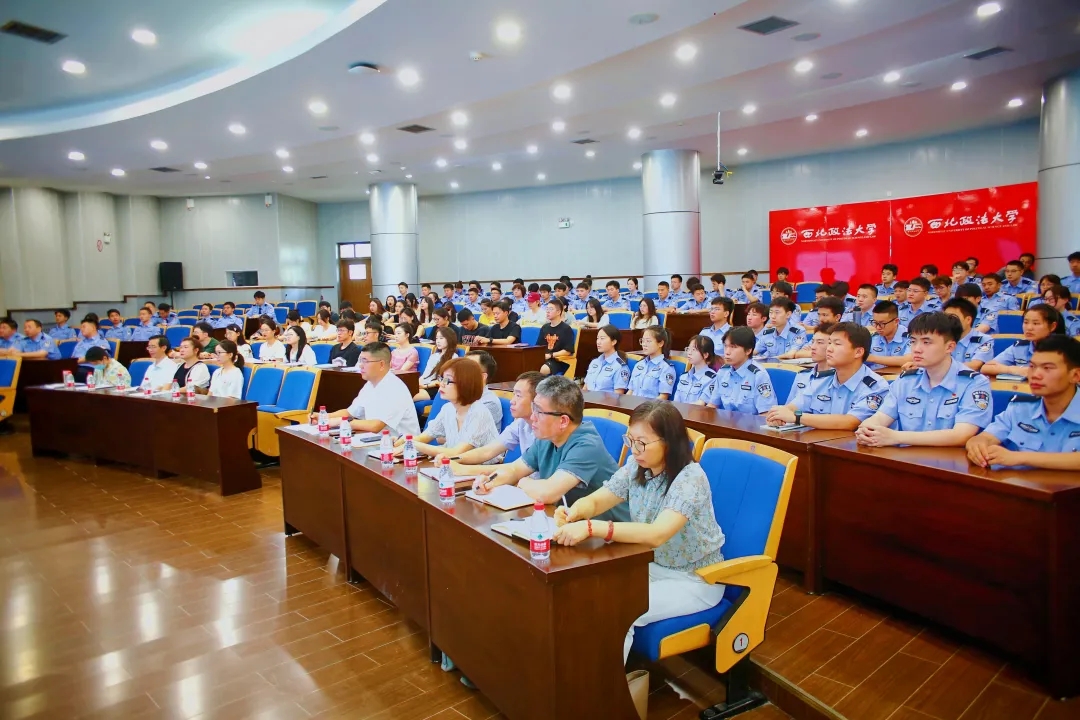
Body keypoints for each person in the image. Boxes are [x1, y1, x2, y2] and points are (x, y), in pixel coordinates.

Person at [552, 400, 726, 663]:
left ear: (668, 442)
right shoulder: (637, 465)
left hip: (695, 579)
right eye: (630, 440)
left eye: (642, 443)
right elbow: (599, 500)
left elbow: (657, 534)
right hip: (651, 565)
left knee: (618, 609)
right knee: (585, 592)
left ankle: (606, 687)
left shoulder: (691, 478)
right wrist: (575, 511)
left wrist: (591, 527)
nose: (634, 450)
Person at [466, 376, 629, 518]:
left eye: (539, 412)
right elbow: (514, 469)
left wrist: (522, 481)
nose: (532, 417)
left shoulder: (587, 445)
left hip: (609, 533)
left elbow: (547, 493)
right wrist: (490, 481)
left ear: (563, 421)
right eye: (533, 408)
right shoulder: (547, 437)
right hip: (568, 522)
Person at [856, 313, 993, 447]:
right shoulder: (906, 380)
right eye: (913, 341)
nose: (916, 349)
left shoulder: (974, 383)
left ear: (949, 347)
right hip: (903, 458)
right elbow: (881, 417)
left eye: (926, 342)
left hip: (949, 460)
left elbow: (961, 435)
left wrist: (896, 437)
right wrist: (866, 429)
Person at [965, 335, 1080, 470]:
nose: (1035, 375)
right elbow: (986, 437)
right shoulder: (1020, 407)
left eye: (1047, 368)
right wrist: (977, 445)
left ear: (1075, 375)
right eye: (1032, 366)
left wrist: (1019, 457)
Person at [765, 323, 885, 430]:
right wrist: (779, 414)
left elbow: (850, 422)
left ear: (858, 352)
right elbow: (795, 405)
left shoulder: (876, 387)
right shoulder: (822, 379)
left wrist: (797, 417)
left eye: (837, 344)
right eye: (829, 343)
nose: (829, 349)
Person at [400, 357, 501, 461]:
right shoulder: (448, 408)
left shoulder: (479, 413)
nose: (441, 384)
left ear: (466, 384)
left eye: (448, 380)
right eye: (442, 378)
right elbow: (425, 436)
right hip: (454, 465)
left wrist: (414, 445)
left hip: (482, 468)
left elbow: (457, 453)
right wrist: (402, 442)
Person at [318, 342, 421, 437]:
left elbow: (376, 426)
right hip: (377, 440)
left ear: (381, 364)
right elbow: (350, 412)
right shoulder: (370, 384)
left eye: (365, 361)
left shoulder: (394, 388)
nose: (360, 365)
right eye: (360, 361)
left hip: (402, 445)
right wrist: (323, 417)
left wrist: (342, 422)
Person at [981, 305, 1066, 378]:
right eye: (1026, 322)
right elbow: (985, 368)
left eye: (1036, 323)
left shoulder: (1064, 350)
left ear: (1052, 326)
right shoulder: (1020, 347)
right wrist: (1015, 370)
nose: (1029, 328)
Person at [705, 327, 775, 413]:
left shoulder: (758, 375)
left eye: (733, 347)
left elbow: (766, 414)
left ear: (748, 350)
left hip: (750, 421)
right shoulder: (723, 372)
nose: (727, 352)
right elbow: (712, 405)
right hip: (725, 420)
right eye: (726, 346)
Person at [786, 322, 833, 405]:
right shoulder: (802, 375)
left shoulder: (838, 379)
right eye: (813, 342)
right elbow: (788, 406)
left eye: (820, 342)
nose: (813, 347)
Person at [941, 298, 994, 371]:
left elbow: (975, 365)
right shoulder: (940, 338)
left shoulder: (984, 340)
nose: (948, 321)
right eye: (946, 317)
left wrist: (942, 368)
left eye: (953, 317)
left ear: (968, 320)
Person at [627, 327, 676, 400]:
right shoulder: (639, 364)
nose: (644, 344)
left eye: (648, 341)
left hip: (651, 406)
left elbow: (663, 397)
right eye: (642, 341)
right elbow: (631, 391)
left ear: (660, 343)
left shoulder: (666, 368)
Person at [583, 325, 631, 394]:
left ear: (613, 342)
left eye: (602, 338)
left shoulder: (619, 367)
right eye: (597, 338)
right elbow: (585, 388)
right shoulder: (594, 362)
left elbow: (618, 396)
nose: (598, 342)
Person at [865, 300, 912, 370]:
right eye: (875, 323)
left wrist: (871, 358)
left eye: (882, 324)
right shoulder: (873, 337)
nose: (878, 327)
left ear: (896, 321)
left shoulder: (910, 337)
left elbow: (907, 360)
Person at [415, 326, 458, 401]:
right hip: (425, 385)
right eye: (437, 338)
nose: (438, 341)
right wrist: (416, 384)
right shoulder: (434, 356)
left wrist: (426, 386)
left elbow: (447, 380)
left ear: (449, 339)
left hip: (436, 388)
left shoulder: (454, 357)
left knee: (407, 398)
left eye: (441, 338)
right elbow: (426, 374)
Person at [674, 335, 718, 405]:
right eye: (688, 349)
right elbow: (676, 402)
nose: (689, 353)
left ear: (705, 355)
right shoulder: (684, 376)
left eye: (694, 350)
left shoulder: (712, 379)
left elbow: (701, 404)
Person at [535, 299, 576, 376]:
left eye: (551, 309)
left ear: (558, 312)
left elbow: (568, 351)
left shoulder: (566, 329)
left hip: (558, 360)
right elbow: (539, 346)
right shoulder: (544, 327)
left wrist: (551, 355)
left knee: (543, 369)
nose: (548, 311)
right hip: (544, 358)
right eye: (547, 309)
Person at [466, 350, 505, 427]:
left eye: (467, 368)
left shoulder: (489, 403)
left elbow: (467, 432)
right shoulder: (459, 396)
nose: (460, 371)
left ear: (482, 376)